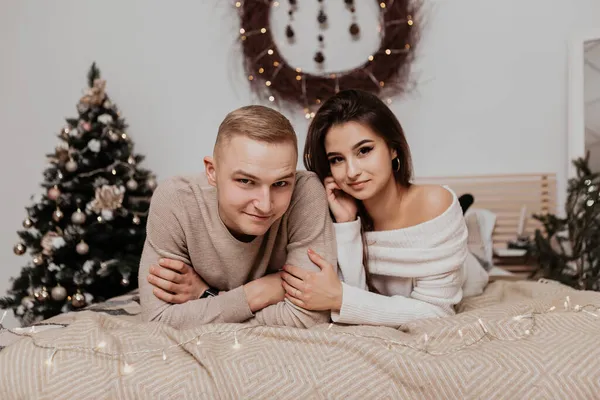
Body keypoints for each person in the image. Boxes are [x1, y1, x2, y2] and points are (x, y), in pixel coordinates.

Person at [280, 89, 489, 328]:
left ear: (393, 148)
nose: (351, 172)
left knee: (477, 262)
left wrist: (340, 298)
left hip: (468, 274)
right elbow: (359, 297)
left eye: (364, 150)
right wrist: (347, 224)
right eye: (337, 159)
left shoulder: (435, 203)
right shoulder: (335, 212)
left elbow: (437, 313)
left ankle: (466, 217)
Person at [138, 105, 337, 330]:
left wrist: (206, 296)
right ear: (212, 171)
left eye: (280, 183)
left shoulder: (306, 192)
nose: (264, 205)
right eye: (245, 181)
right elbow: (158, 321)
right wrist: (258, 293)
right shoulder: (176, 200)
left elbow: (309, 317)